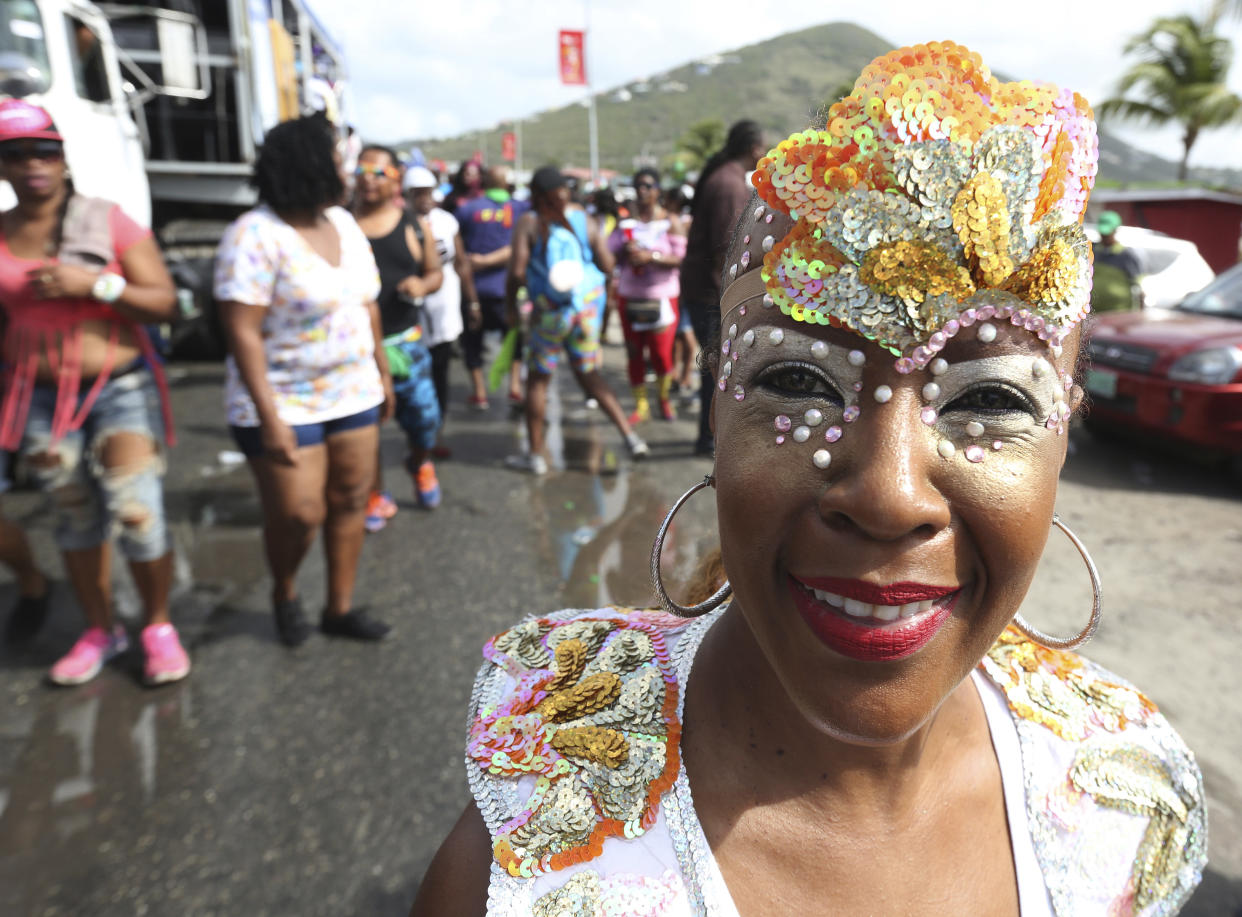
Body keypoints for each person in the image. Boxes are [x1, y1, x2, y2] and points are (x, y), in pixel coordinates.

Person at [411, 44, 1206, 914]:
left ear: (1063, 440)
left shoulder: (1122, 802)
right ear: (715, 411)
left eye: (989, 397)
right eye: (797, 380)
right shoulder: (536, 848)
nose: (889, 496)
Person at [0, 99, 187, 686]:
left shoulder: (106, 220)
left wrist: (96, 282)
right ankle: (100, 629)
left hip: (118, 391)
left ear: (62, 158)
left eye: (44, 151)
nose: (33, 163)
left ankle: (157, 627)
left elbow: (165, 302)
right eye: (15, 153)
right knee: (74, 519)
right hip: (36, 400)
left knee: (137, 515)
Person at [216, 115, 394, 646]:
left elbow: (367, 305)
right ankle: (285, 591)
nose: (346, 169)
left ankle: (338, 608)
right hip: (282, 400)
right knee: (298, 513)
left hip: (353, 389)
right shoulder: (253, 235)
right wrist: (270, 419)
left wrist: (383, 374)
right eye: (338, 158)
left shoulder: (343, 222)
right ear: (310, 163)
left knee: (348, 499)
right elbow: (241, 332)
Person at [503, 166, 648, 475]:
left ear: (535, 195)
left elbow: (516, 272)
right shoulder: (584, 218)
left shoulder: (529, 222)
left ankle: (536, 457)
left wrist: (511, 307)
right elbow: (607, 264)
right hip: (584, 313)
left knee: (538, 381)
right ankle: (630, 437)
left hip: (549, 315)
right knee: (591, 376)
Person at [352, 145, 444, 530]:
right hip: (357, 348)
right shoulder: (341, 225)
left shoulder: (411, 224)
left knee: (424, 419)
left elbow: (435, 273)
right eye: (363, 169)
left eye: (379, 171)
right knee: (365, 429)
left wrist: (421, 285)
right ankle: (376, 493)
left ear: (395, 178)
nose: (369, 177)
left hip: (405, 344)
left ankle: (420, 460)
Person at [680, 119, 767, 456]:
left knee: (715, 368)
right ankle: (709, 437)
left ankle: (708, 435)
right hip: (710, 292)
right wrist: (732, 300)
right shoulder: (729, 184)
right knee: (717, 368)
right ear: (754, 149)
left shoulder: (725, 178)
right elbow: (726, 250)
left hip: (702, 288)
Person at [403, 164, 479, 459]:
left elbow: (461, 263)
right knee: (416, 374)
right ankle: (418, 435)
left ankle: (436, 431)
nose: (424, 200)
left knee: (440, 370)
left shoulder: (447, 222)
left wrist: (471, 302)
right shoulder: (401, 223)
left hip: (445, 306)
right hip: (413, 311)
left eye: (428, 193)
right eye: (418, 194)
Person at [608, 167, 688, 423]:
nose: (642, 191)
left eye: (648, 186)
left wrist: (651, 256)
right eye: (638, 186)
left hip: (661, 297)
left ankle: (663, 400)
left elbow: (680, 258)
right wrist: (624, 248)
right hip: (629, 295)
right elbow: (608, 256)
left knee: (662, 355)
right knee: (633, 352)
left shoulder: (670, 222)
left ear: (658, 191)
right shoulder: (626, 223)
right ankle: (640, 405)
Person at [457, 166, 526, 411]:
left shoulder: (467, 209)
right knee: (514, 339)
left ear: (484, 183)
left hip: (473, 290)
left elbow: (460, 250)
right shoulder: (521, 209)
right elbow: (520, 248)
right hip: (507, 291)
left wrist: (481, 261)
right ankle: (515, 387)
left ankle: (480, 392)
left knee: (472, 343)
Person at [1091, 210, 1143, 313]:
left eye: (1107, 233)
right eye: (1102, 233)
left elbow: (1138, 287)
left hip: (1118, 313)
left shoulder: (1127, 255)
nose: (1104, 236)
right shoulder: (1092, 251)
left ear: (1115, 230)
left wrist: (1140, 313)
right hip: (1093, 312)